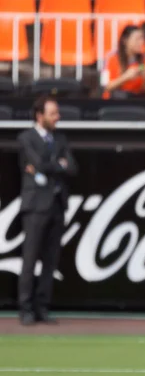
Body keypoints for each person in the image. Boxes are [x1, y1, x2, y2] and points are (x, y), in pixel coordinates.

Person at [18, 96, 77, 326]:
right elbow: (39, 163)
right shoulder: (26, 137)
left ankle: (42, 307)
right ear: (39, 115)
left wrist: (54, 165)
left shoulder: (60, 138)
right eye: (53, 114)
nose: (57, 118)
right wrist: (57, 163)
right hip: (35, 206)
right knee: (30, 258)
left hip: (56, 205)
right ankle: (25, 308)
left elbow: (72, 167)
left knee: (50, 262)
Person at [101, 25, 145, 99]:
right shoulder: (111, 58)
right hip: (115, 101)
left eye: (142, 39)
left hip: (137, 101)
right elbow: (105, 87)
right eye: (137, 39)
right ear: (125, 40)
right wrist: (125, 77)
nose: (141, 42)